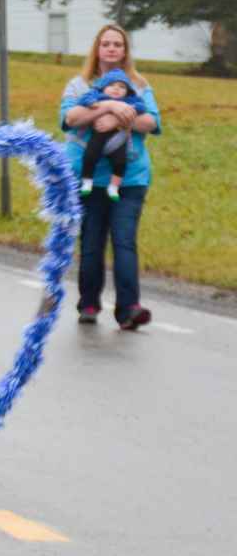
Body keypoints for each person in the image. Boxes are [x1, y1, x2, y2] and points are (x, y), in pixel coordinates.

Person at [60, 24, 162, 331]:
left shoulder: (139, 86)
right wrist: (106, 104)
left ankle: (129, 308)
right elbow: (70, 118)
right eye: (106, 43)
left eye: (118, 44)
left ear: (125, 50)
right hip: (87, 178)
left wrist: (120, 115)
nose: (112, 48)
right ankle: (89, 303)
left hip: (130, 178)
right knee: (91, 242)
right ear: (97, 49)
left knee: (124, 241)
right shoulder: (79, 86)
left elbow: (151, 121)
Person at [73, 68, 147, 200]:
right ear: (103, 87)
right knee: (90, 156)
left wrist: (131, 110)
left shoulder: (129, 101)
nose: (116, 89)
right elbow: (84, 99)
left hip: (119, 137)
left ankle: (113, 187)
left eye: (121, 87)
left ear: (127, 91)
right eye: (111, 85)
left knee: (120, 162)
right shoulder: (98, 96)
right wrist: (93, 103)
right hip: (98, 135)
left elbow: (141, 106)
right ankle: (87, 181)